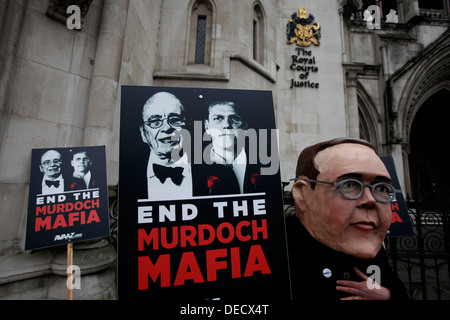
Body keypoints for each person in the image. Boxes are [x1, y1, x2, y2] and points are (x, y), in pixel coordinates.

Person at [287, 137, 408, 300]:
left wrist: (386, 295)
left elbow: (390, 285)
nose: (370, 199)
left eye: (381, 188)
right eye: (349, 185)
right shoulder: (280, 248)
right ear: (303, 195)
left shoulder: (372, 246)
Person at [139, 92, 193, 200]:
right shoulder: (126, 179)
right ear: (143, 133)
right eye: (155, 121)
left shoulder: (219, 174)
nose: (166, 128)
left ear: (188, 128)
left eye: (175, 120)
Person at [203, 101, 263, 194]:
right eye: (218, 118)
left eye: (234, 118)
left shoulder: (264, 165)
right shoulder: (193, 168)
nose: (227, 125)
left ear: (245, 127)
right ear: (207, 126)